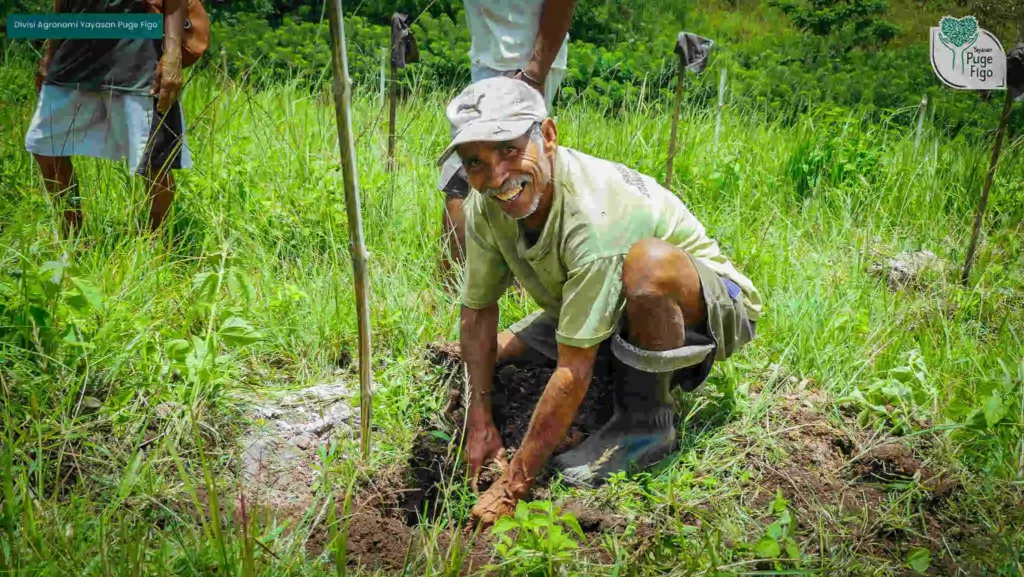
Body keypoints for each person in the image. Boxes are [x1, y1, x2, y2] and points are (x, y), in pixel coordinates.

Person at [438, 77, 763, 526]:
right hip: (596, 299)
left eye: (510, 150)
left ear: (547, 137)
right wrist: (480, 418)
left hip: (710, 306)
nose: (496, 178)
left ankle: (645, 424)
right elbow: (476, 312)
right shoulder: (485, 204)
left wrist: (511, 488)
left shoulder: (595, 217)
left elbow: (573, 370)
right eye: (476, 162)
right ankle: (618, 354)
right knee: (487, 352)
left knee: (646, 267)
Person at [439, 0, 578, 283]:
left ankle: (461, 287)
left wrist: (534, 72)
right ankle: (498, 285)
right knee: (495, 178)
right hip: (501, 62)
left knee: (469, 178)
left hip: (517, 66)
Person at [25, 0, 191, 237]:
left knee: (154, 158)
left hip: (138, 43)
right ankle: (71, 238)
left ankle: (158, 247)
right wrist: (52, 51)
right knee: (44, 143)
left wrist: (173, 54)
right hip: (76, 43)